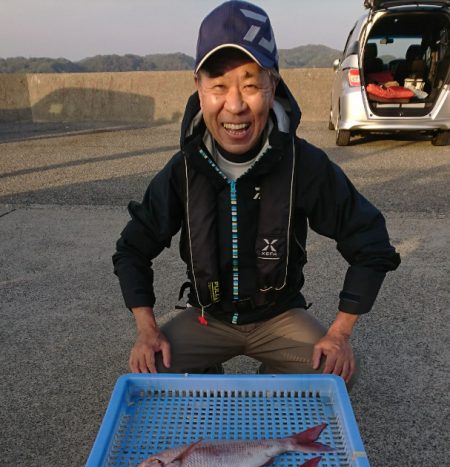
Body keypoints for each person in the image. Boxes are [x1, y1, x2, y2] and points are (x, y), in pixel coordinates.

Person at [113, 0, 400, 383]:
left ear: (273, 84)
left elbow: (372, 243)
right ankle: (204, 367)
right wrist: (147, 330)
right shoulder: (181, 170)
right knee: (149, 370)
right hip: (207, 315)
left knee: (337, 373)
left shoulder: (305, 164)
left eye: (250, 85)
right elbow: (131, 250)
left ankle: (278, 373)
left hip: (279, 317)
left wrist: (340, 334)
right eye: (218, 86)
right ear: (199, 89)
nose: (235, 105)